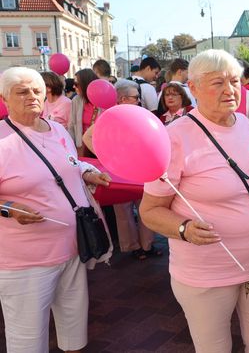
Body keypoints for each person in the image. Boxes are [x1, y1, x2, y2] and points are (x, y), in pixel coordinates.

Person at [140, 49, 249, 353]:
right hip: (207, 272)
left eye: (234, 81)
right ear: (195, 87)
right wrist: (184, 228)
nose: (229, 90)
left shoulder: (242, 124)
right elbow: (149, 211)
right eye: (217, 83)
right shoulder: (175, 137)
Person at [0, 67, 111, 353]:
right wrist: (9, 208)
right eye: (22, 92)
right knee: (27, 340)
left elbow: (69, 164)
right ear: (4, 98)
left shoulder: (57, 129)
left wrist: (87, 172)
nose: (31, 97)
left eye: (37, 91)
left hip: (73, 248)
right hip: (26, 261)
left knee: (75, 332)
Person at [82, 79, 162, 261]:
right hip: (124, 168)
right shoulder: (112, 116)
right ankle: (137, 246)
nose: (139, 100)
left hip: (135, 167)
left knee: (139, 208)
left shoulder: (133, 114)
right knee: (128, 210)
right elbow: (88, 136)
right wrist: (107, 156)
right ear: (124, 98)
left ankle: (142, 245)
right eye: (136, 97)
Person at [67, 68, 101, 157]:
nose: (73, 87)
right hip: (82, 147)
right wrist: (71, 148)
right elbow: (71, 126)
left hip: (99, 146)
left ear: (85, 84)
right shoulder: (76, 100)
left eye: (76, 84)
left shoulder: (102, 99)